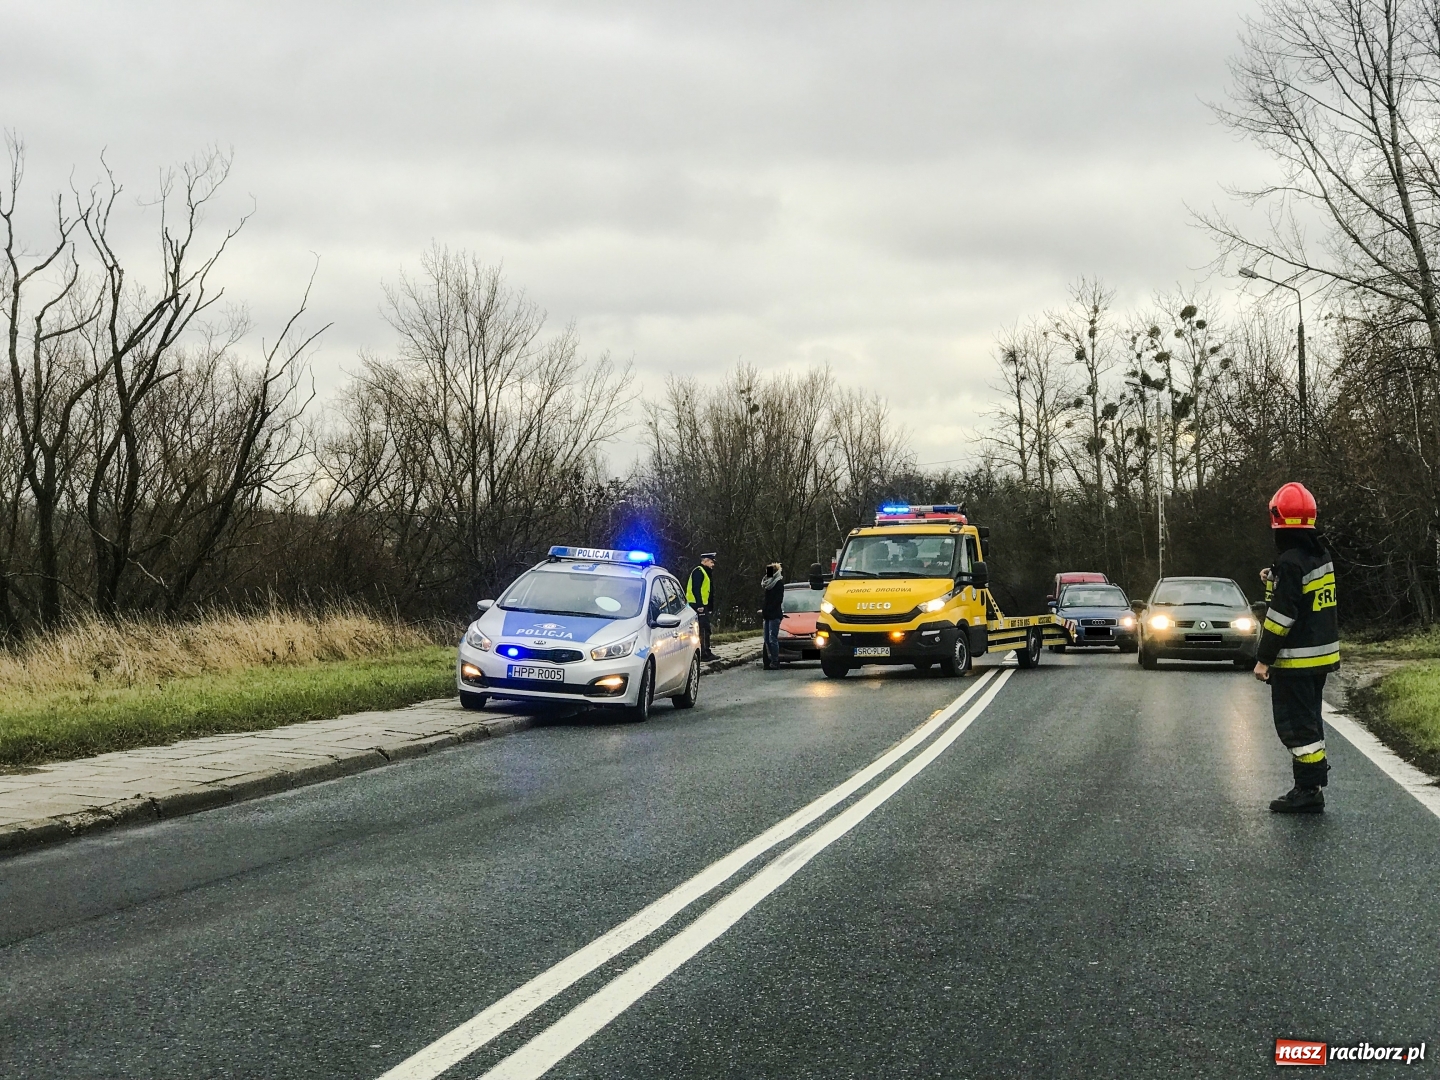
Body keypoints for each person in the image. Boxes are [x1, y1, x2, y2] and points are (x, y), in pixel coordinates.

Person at [1254, 482, 1340, 813]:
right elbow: (1306, 596)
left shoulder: (1290, 562)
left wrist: (1264, 659)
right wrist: (1274, 578)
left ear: (1277, 520)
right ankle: (1309, 785)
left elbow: (1281, 616)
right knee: (1310, 722)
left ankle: (1308, 790)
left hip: (1296, 661)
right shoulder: (1320, 555)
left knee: (1297, 726)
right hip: (1320, 657)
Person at [687, 552, 719, 661]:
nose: (713, 565)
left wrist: (709, 607)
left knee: (705, 628)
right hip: (697, 605)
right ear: (705, 561)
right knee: (704, 629)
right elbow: (696, 589)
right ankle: (704, 653)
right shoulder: (699, 571)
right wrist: (700, 605)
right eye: (711, 562)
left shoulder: (704, 572)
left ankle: (705, 651)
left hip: (702, 605)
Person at [761, 562, 785, 670]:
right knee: (766, 639)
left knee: (772, 638)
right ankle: (769, 660)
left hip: (774, 615)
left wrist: (770, 609)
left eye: (769, 571)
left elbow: (778, 600)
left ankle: (775, 661)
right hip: (767, 615)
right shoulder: (768, 585)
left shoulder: (778, 584)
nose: (767, 574)